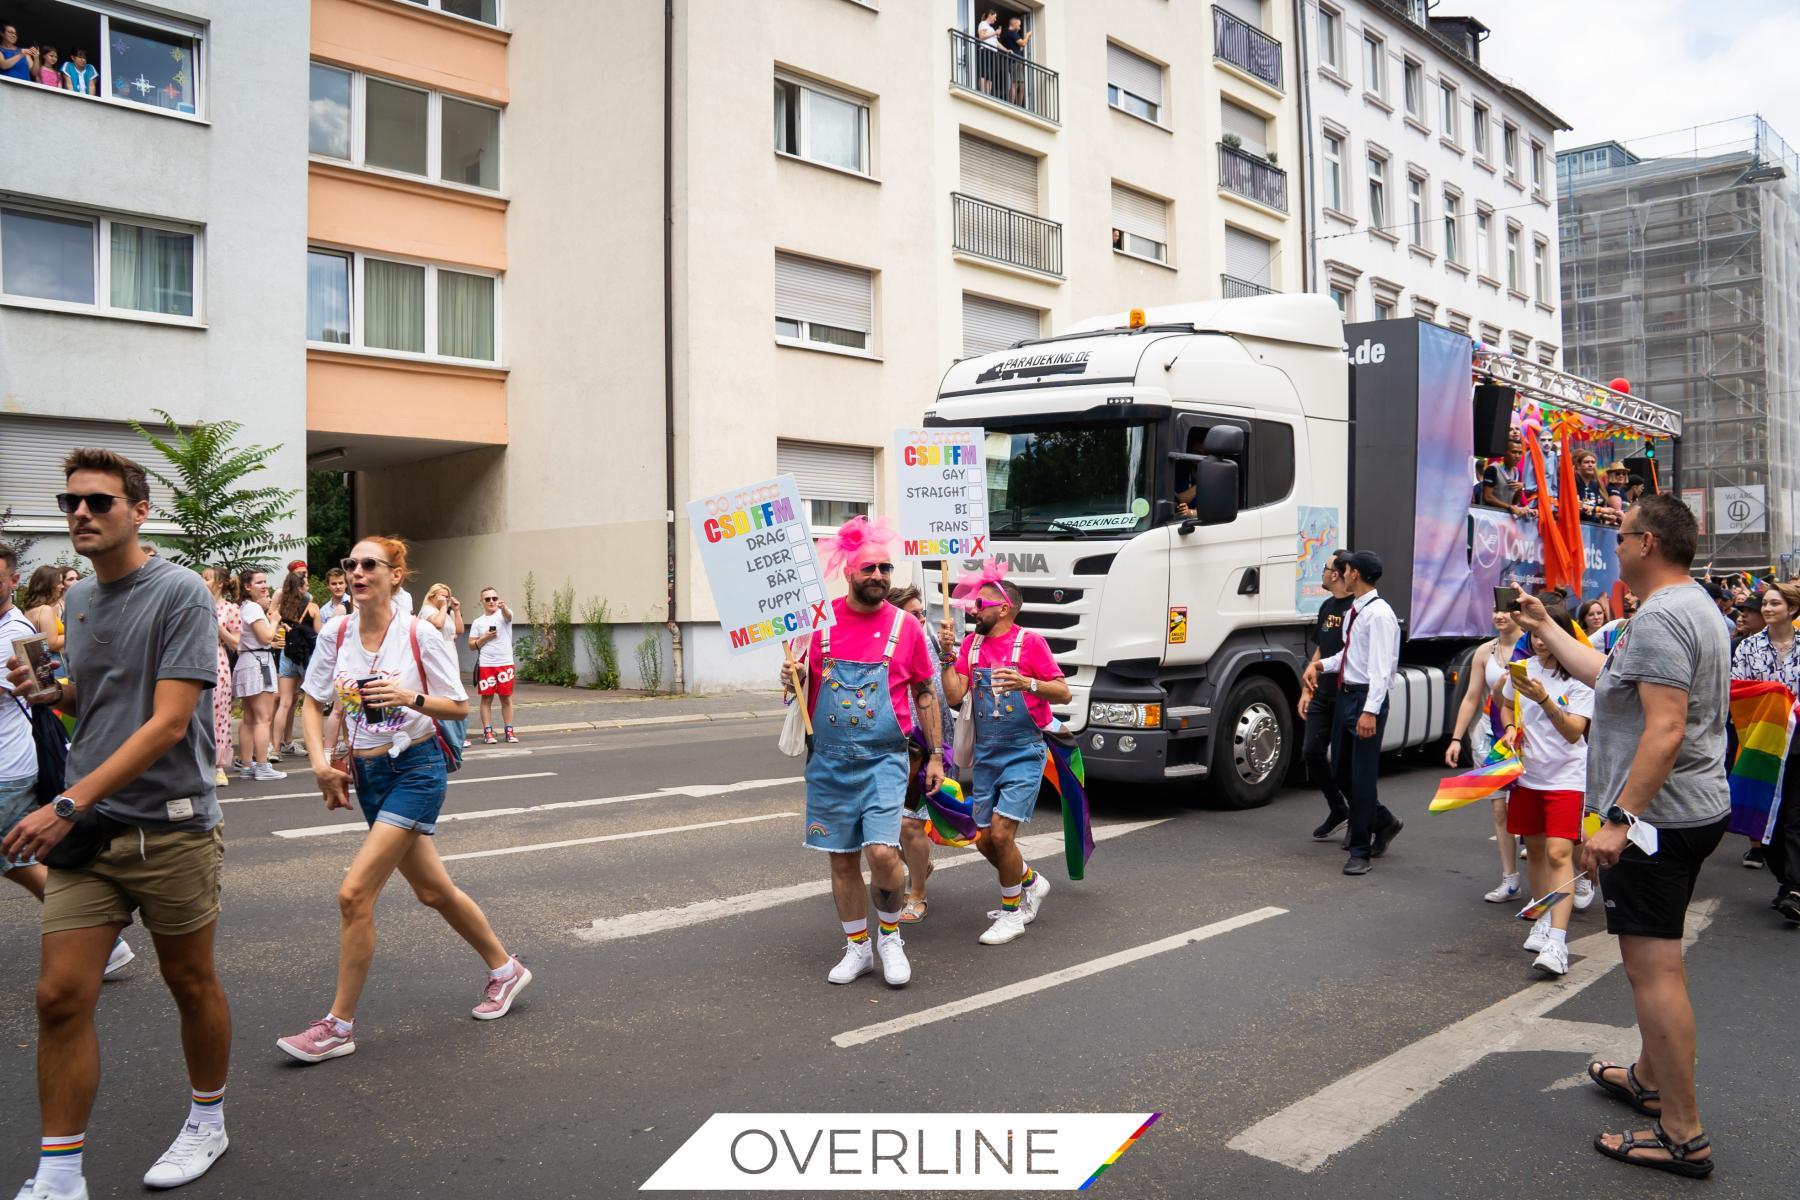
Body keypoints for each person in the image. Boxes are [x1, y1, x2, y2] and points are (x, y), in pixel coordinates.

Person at [3, 448, 234, 1196]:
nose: (81, 513)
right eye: (72, 501)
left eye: (99, 502)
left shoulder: (180, 595)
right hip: (89, 831)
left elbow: (168, 724)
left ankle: (208, 1119)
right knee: (59, 995)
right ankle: (60, 1172)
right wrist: (51, 693)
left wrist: (62, 803)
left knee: (190, 981)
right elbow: (95, 704)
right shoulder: (78, 603)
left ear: (139, 511)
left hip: (169, 827)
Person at [1516, 494, 1726, 1178]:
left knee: (1653, 969)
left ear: (1648, 546)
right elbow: (1612, 682)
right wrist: (1547, 626)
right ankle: (1649, 1078)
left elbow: (1664, 729)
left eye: (1625, 531)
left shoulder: (1663, 618)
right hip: (1685, 808)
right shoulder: (1688, 607)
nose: (1617, 538)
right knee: (1655, 962)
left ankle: (1682, 1133)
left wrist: (1619, 821)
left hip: (1658, 817)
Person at [278, 537, 530, 1065]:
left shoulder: (419, 633)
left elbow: (458, 706)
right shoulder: (337, 633)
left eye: (370, 564)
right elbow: (313, 700)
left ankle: (337, 1025)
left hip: (416, 769)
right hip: (368, 774)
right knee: (434, 891)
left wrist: (408, 697)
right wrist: (322, 763)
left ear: (396, 576)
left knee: (353, 895)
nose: (357, 571)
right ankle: (505, 969)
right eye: (351, 564)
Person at [781, 516, 942, 987]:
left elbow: (926, 693)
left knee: (881, 852)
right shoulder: (818, 622)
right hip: (828, 759)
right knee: (841, 858)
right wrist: (789, 680)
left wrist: (933, 756)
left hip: (885, 759)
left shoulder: (906, 627)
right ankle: (858, 948)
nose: (879, 577)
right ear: (849, 572)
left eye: (885, 569)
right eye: (869, 569)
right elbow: (798, 690)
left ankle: (890, 937)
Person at [937, 567, 1069, 945]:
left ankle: (1012, 914)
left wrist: (1028, 682)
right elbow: (953, 696)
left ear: (1005, 608)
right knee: (982, 840)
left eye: (980, 604)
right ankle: (1030, 881)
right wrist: (947, 657)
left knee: (1001, 833)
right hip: (986, 753)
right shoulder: (971, 646)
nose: (973, 610)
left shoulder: (1030, 643)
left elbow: (1063, 693)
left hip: (1024, 750)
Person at [1500, 600, 1596, 977]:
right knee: (1536, 850)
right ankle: (1543, 915)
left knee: (1559, 854)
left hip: (1567, 778)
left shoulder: (1581, 680)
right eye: (1535, 633)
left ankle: (1558, 940)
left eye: (1546, 632)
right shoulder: (1520, 670)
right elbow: (1506, 706)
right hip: (1528, 776)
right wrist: (1508, 729)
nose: (1539, 640)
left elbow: (1574, 733)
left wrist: (1543, 698)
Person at [1303, 550, 1403, 875]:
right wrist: (1321, 664)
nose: (1341, 573)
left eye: (1344, 569)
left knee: (1361, 779)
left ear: (1355, 574)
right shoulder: (1354, 612)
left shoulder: (1380, 615)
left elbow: (1380, 670)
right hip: (1347, 696)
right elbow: (1350, 656)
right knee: (1341, 771)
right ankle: (1383, 820)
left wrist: (1370, 711)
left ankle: (1360, 851)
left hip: (1364, 701)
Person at [1730, 581, 1800, 922]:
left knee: (1793, 818)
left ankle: (1795, 889)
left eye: (1775, 603)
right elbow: (1736, 691)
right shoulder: (1747, 648)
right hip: (1760, 744)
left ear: (1792, 609)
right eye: (1766, 604)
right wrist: (1770, 695)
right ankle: (1786, 879)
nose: (1768, 609)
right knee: (1764, 820)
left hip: (1798, 744)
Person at [1447, 597, 1525, 901]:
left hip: (1527, 740)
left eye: (1507, 610)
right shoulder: (1484, 651)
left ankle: (1576, 877)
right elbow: (1470, 697)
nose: (1500, 615)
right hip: (1490, 738)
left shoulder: (1533, 647)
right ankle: (1510, 879)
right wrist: (1456, 739)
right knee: (1499, 808)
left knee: (1532, 809)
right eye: (1496, 610)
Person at [886, 585, 953, 924]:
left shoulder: (924, 642)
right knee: (879, 826)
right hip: (885, 747)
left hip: (921, 748)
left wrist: (937, 754)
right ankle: (919, 864)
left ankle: (918, 894)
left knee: (909, 823)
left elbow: (939, 699)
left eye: (922, 613)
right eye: (914, 614)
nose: (921, 620)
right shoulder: (881, 641)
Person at [1298, 552, 1355, 842]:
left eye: (1325, 568)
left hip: (1347, 695)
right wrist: (1307, 689)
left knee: (1347, 764)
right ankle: (1338, 808)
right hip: (1323, 694)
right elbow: (1321, 649)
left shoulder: (1356, 609)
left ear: (1336, 574)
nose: (1322, 572)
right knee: (1311, 751)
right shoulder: (1327, 606)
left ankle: (1361, 820)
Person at [232, 568, 285, 781]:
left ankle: (247, 765)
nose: (264, 586)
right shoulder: (253, 608)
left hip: (248, 661)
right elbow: (265, 638)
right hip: (258, 663)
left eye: (265, 582)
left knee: (249, 717)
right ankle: (262, 765)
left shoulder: (245, 606)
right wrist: (274, 621)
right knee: (264, 718)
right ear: (247, 586)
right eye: (259, 582)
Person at [270, 570, 319, 760]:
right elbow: (320, 634)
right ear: (300, 587)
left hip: (287, 655)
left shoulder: (282, 609)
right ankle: (315, 747)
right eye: (305, 585)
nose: (307, 588)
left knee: (284, 703)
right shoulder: (312, 607)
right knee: (311, 704)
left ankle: (275, 749)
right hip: (307, 657)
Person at [200, 568, 239, 790]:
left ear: (220, 583)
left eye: (207, 579)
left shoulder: (230, 608)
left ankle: (218, 766)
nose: (203, 582)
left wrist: (218, 625)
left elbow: (236, 642)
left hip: (218, 662)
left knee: (219, 715)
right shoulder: (196, 603)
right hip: (196, 659)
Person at [466, 587, 517, 744]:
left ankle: (509, 730)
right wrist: (485, 637)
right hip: (487, 664)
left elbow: (508, 616)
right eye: (487, 599)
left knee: (506, 698)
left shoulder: (504, 615)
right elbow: (472, 645)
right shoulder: (478, 622)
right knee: (486, 699)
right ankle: (488, 732)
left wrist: (504, 608)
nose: (491, 601)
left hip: (505, 663)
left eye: (494, 598)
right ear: (482, 602)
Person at [1480, 429, 1532, 519]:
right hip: (1489, 518)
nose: (1517, 456)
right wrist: (1509, 507)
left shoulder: (1516, 472)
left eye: (1520, 453)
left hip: (1504, 520)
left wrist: (1520, 489)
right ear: (1504, 452)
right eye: (1513, 452)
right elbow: (1487, 497)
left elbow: (1514, 502)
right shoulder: (1493, 469)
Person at [21, 566, 65, 656]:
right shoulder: (45, 610)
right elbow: (51, 643)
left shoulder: (30, 609)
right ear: (49, 585)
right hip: (53, 661)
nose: (62, 586)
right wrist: (76, 633)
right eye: (59, 583)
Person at [998, 15, 1032, 105]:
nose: (1020, 27)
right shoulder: (1011, 33)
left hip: (1013, 62)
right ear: (1014, 23)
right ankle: (1014, 105)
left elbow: (1019, 48)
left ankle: (1016, 104)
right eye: (1019, 25)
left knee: (1020, 85)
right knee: (1016, 84)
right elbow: (1023, 43)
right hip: (1015, 62)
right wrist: (1027, 35)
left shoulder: (1006, 33)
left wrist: (1024, 42)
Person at [975, 8, 1000, 95]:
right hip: (985, 50)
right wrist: (995, 33)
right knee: (984, 72)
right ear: (990, 15)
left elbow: (996, 43)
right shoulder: (983, 23)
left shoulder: (991, 28)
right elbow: (981, 36)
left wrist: (1006, 50)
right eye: (995, 17)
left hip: (993, 52)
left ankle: (988, 94)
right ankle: (982, 92)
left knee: (990, 75)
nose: (995, 19)